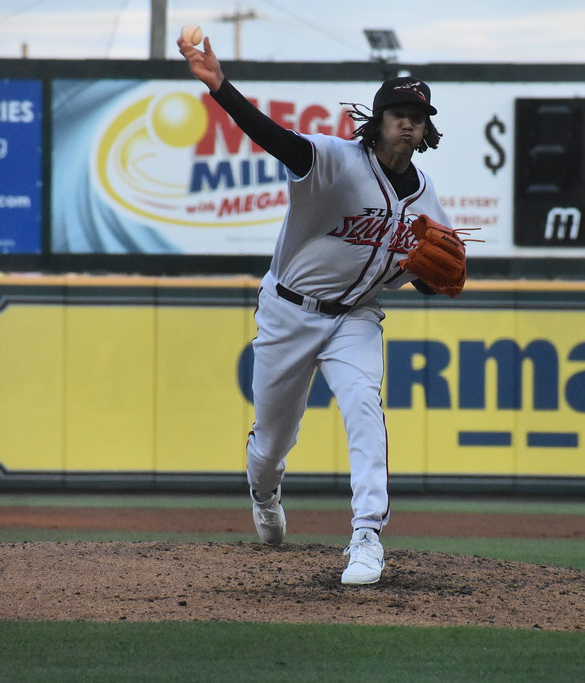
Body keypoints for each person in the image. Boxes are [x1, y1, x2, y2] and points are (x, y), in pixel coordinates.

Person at [178, 32, 452, 585]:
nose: (407, 122)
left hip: (355, 318)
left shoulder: (426, 200)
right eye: (397, 112)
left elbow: (427, 279)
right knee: (273, 439)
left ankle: (367, 537)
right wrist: (220, 88)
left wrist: (437, 279)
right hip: (287, 310)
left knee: (364, 412)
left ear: (426, 130)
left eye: (416, 116)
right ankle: (264, 489)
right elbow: (273, 137)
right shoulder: (332, 159)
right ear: (376, 121)